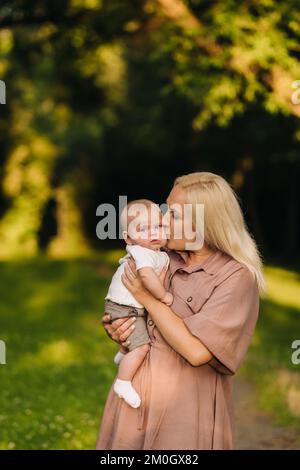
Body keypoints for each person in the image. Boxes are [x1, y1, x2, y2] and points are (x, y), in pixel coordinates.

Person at [96, 171, 266, 450]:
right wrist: (118, 326)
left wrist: (147, 298)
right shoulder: (161, 258)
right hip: (135, 397)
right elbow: (128, 307)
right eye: (165, 210)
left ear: (204, 223)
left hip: (186, 412)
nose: (162, 220)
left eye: (173, 214)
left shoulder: (235, 278)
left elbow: (197, 352)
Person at [104, 199, 172, 408]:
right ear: (129, 238)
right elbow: (147, 278)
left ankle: (123, 353)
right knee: (141, 348)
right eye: (143, 229)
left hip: (127, 305)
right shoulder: (142, 253)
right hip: (124, 306)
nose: (153, 233)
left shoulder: (157, 253)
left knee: (136, 331)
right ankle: (123, 382)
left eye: (158, 226)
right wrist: (163, 296)